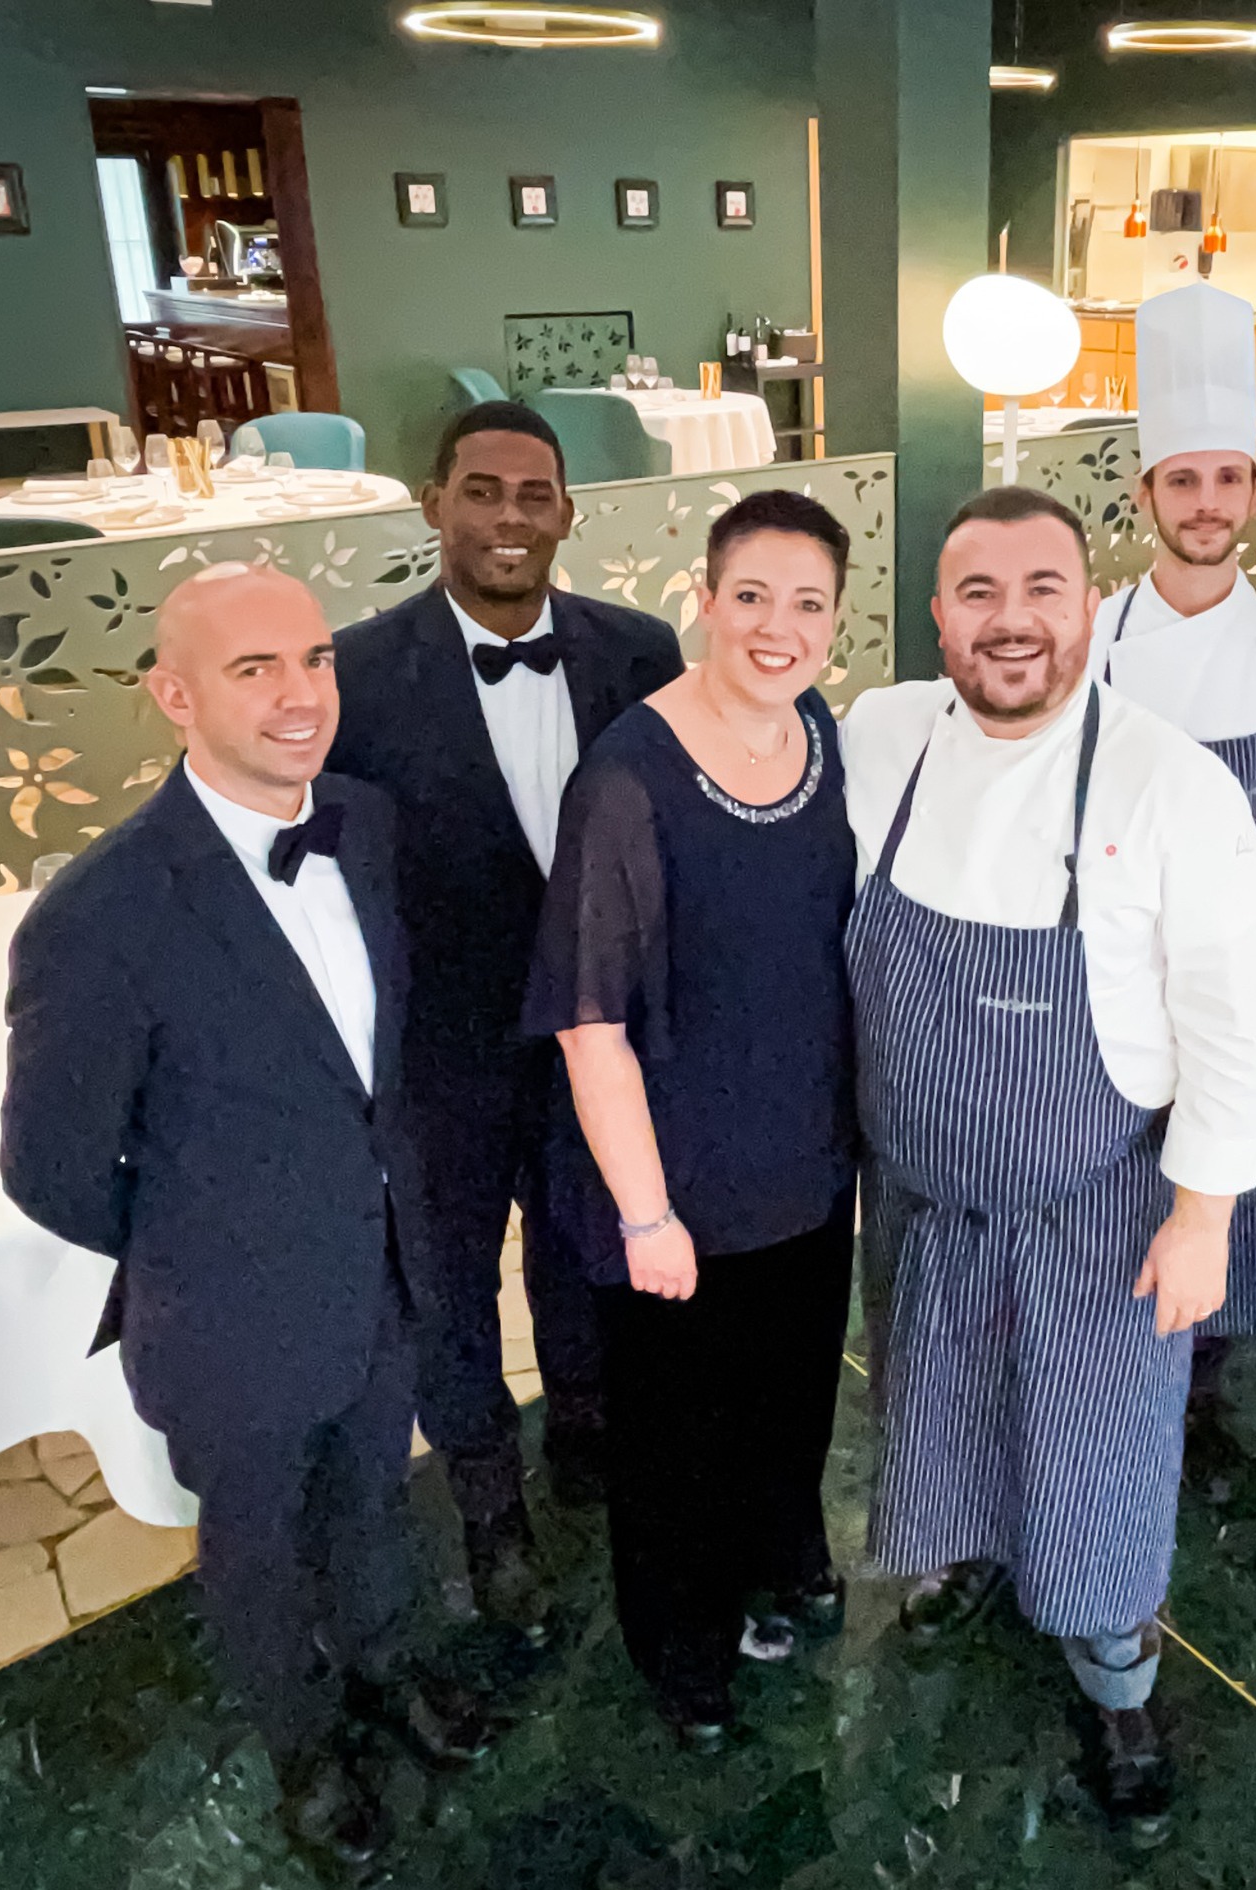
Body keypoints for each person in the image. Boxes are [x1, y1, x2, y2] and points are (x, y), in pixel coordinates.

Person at [1, 564, 490, 1871]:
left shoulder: (366, 825)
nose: (299, 694)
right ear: (174, 695)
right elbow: (48, 1169)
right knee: (258, 1548)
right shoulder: (98, 916)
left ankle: (386, 1666)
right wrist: (201, 1238)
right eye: (253, 668)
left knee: (375, 1495)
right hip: (228, 1310)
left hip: (384, 1268)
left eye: (314, 659)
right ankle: (304, 1746)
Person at [841, 486, 1256, 1836]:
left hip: (1099, 1210)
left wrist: (1204, 1213)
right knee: (941, 1408)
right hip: (921, 1202)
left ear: (1090, 607)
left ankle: (1116, 1681)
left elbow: (1238, 1017)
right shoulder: (880, 739)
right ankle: (972, 1557)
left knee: (1100, 1464)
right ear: (938, 616)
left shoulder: (1170, 782)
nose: (1011, 621)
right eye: (978, 592)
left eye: (1043, 587)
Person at [327, 402, 683, 1629]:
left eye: (535, 494)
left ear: (570, 512)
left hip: (597, 1039)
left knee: (587, 1251)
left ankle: (585, 1433)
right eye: (482, 490)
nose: (509, 517)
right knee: (452, 1287)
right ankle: (488, 1507)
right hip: (442, 1053)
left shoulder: (640, 652)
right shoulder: (355, 674)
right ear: (434, 505)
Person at [525, 490, 857, 1749]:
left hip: (805, 1157)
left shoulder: (820, 731)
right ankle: (683, 1653)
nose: (779, 627)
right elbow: (589, 1023)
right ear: (705, 600)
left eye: (808, 604)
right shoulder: (627, 779)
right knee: (676, 1442)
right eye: (752, 596)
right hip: (676, 1184)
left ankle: (780, 1559)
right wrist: (645, 1213)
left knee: (790, 1397)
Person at [1087, 283, 1256, 1351]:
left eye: (1227, 478)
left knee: (1229, 1180)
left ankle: (1221, 1379)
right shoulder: (1093, 639)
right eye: (1183, 480)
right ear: (1145, 492)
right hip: (1103, 962)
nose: (1206, 502)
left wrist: (1201, 929)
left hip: (1241, 969)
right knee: (1119, 1189)